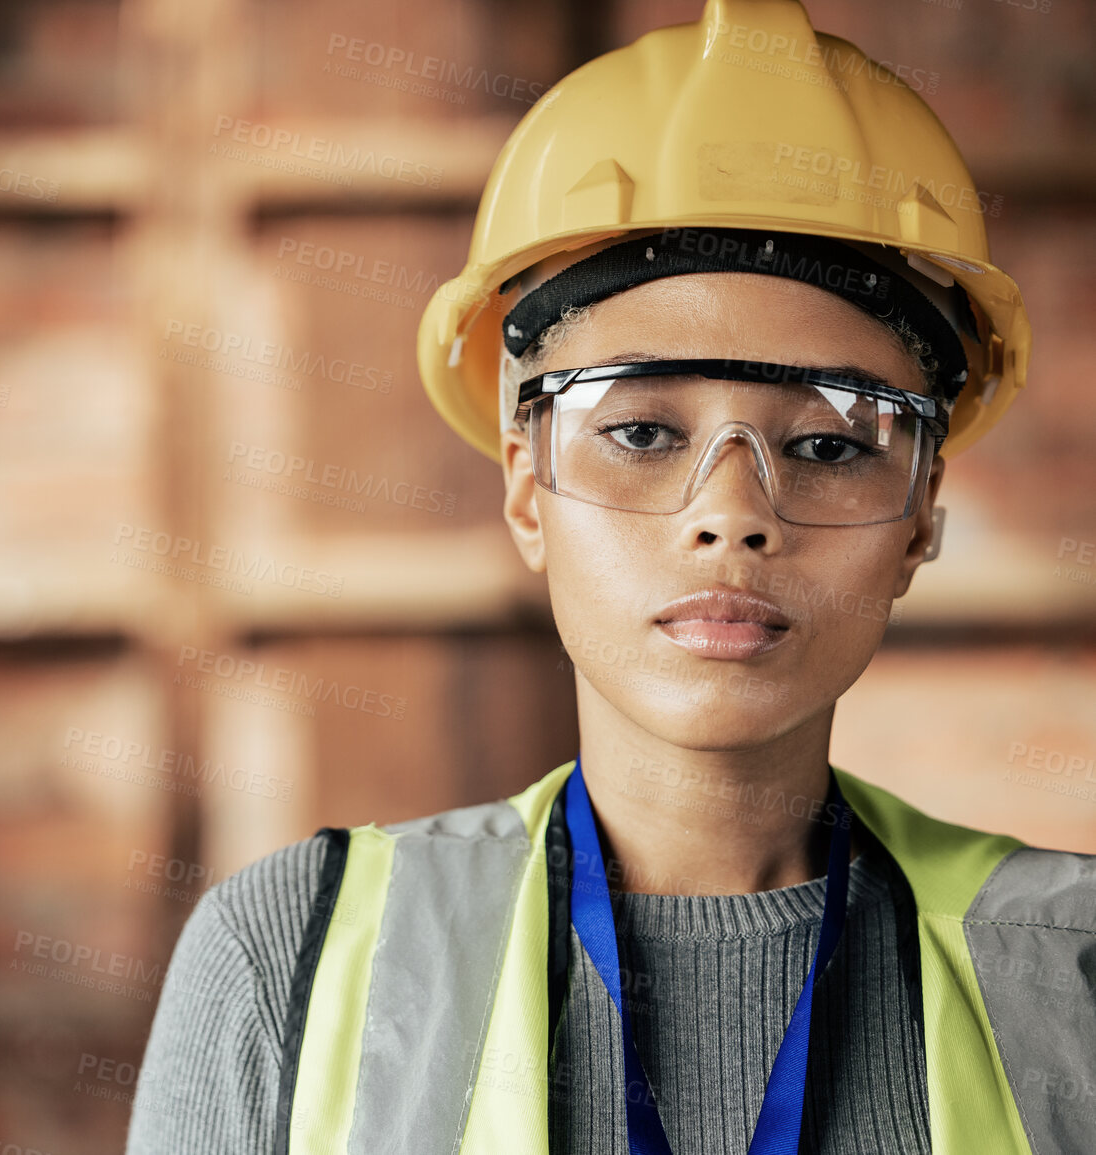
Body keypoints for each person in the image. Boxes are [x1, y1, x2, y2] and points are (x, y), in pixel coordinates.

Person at [126, 2, 1096, 1152]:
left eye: (829, 444)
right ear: (527, 489)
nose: (731, 518)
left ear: (922, 517)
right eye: (640, 433)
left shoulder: (1070, 969)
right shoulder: (293, 954)